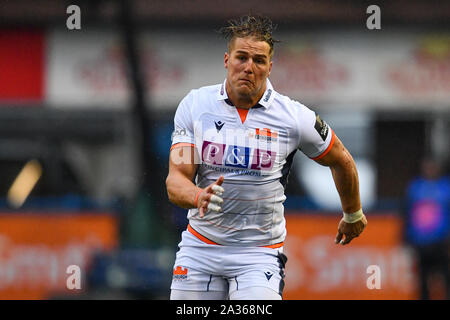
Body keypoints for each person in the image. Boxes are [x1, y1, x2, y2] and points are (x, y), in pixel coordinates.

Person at [165, 15, 367, 300]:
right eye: (241, 57)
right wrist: (198, 197)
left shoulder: (294, 117)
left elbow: (341, 159)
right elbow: (176, 180)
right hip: (200, 248)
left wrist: (353, 213)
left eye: (259, 61)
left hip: (258, 254)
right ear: (226, 59)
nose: (249, 67)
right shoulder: (195, 105)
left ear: (270, 67)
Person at [403, 157, 450, 299]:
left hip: (440, 241)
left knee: (444, 276)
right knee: (423, 280)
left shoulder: (445, 187)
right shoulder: (415, 188)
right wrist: (407, 237)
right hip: (421, 242)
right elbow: (407, 213)